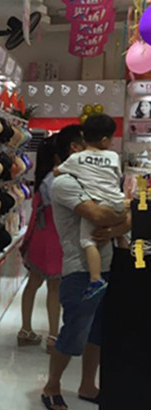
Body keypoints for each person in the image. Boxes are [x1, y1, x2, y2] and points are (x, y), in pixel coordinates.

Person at [41, 125, 131, 410]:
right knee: (74, 333)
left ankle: (87, 385)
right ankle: (51, 386)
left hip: (108, 265)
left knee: (98, 332)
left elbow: (126, 218)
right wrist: (120, 216)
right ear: (75, 150)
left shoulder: (99, 180)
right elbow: (99, 214)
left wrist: (117, 224)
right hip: (79, 270)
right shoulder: (64, 183)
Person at [55, 114, 127, 301]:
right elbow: (117, 177)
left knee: (88, 240)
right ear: (105, 140)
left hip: (99, 204)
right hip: (117, 201)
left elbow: (58, 171)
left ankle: (95, 279)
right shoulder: (113, 156)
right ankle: (124, 252)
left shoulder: (76, 160)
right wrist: (118, 222)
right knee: (120, 227)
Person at [18, 134, 63, 352]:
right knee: (54, 287)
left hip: (39, 236)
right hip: (55, 237)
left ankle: (25, 330)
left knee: (33, 283)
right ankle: (53, 336)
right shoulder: (56, 180)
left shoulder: (43, 178)